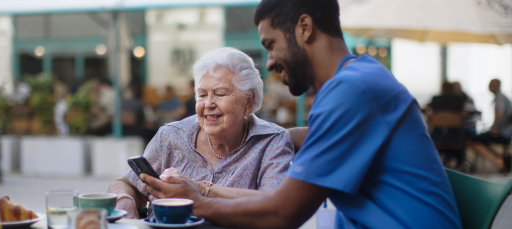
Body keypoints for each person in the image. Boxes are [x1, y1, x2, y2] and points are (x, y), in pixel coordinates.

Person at [140, 0, 462, 228]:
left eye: (270, 44)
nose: (268, 62)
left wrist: (193, 201)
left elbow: (282, 213)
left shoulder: (351, 91)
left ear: (304, 27)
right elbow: (285, 189)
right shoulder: (357, 79)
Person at [107, 47, 294, 219]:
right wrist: (126, 203)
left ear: (248, 102)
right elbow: (125, 183)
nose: (208, 104)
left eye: (220, 94)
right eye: (202, 95)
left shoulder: (272, 141)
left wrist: (201, 189)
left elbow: (275, 202)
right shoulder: (172, 136)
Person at [468, 79, 512, 173]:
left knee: (473, 140)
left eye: (491, 85)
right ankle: (499, 157)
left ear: (497, 86)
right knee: (482, 140)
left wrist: (494, 127)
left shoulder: (500, 97)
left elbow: (499, 112)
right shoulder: (501, 97)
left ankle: (497, 161)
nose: (489, 87)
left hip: (502, 132)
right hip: (506, 132)